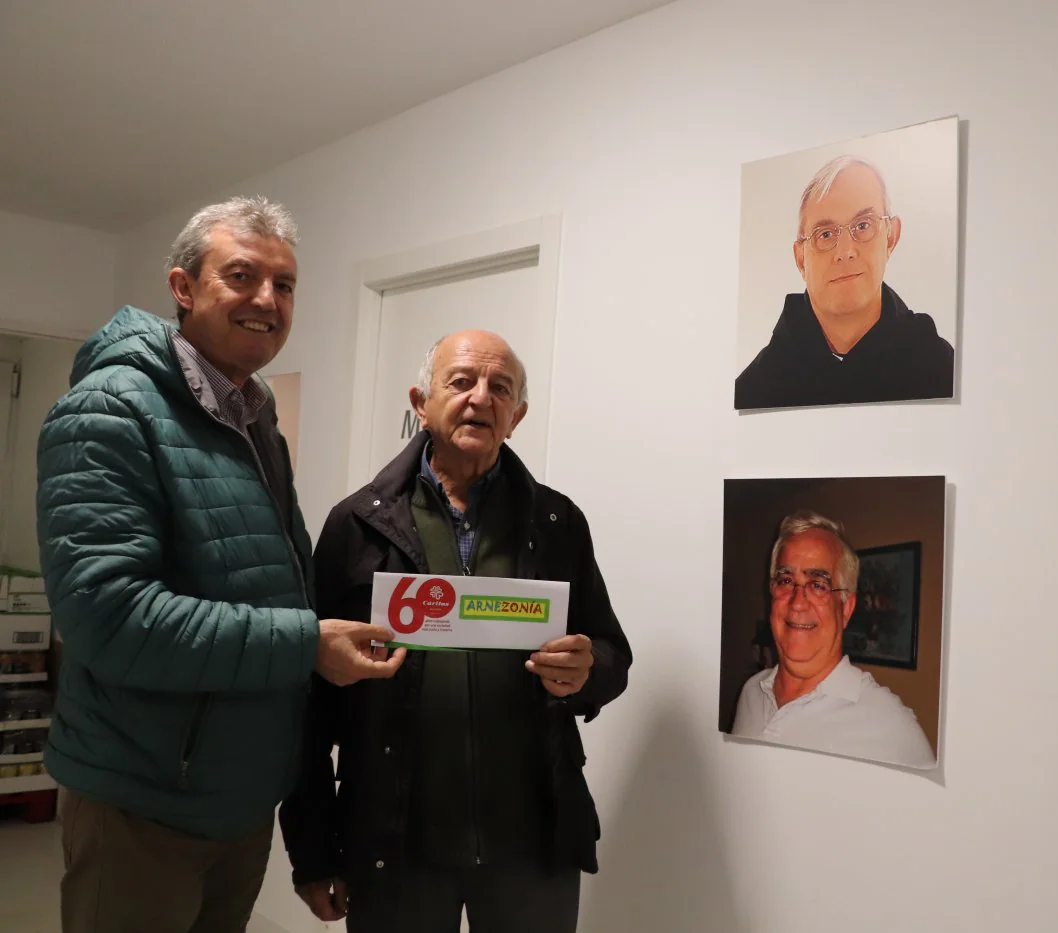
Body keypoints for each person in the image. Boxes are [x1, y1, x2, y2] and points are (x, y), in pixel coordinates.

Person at [35, 196, 406, 933]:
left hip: (237, 803)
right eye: (242, 276)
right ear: (183, 287)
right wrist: (306, 645)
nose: (267, 300)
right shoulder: (108, 409)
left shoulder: (254, 417)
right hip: (142, 801)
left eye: (285, 284)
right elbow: (109, 618)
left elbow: (274, 585)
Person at [280, 329, 632, 933]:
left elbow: (611, 652)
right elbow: (309, 703)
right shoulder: (356, 525)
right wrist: (314, 850)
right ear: (421, 402)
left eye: (500, 388)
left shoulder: (557, 521)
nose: (480, 398)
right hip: (396, 842)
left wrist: (587, 671)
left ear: (516, 416)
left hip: (531, 844)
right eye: (461, 381)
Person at [735, 155, 955, 409]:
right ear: (801, 259)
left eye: (863, 225)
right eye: (825, 234)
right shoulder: (754, 392)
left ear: (891, 237)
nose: (845, 251)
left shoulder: (941, 369)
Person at [730, 511, 935, 769]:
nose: (797, 602)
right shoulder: (751, 692)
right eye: (786, 580)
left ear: (846, 609)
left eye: (818, 584)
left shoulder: (891, 728)